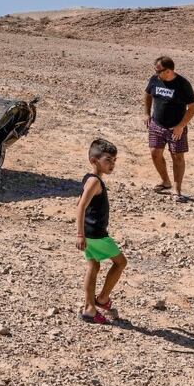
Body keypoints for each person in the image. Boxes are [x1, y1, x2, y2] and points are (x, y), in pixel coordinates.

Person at [75, 138, 128, 324]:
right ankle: (102, 299)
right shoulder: (94, 182)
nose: (112, 164)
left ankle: (89, 307)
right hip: (95, 234)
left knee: (94, 266)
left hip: (91, 232)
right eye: (108, 160)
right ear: (94, 160)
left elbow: (80, 203)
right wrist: (80, 234)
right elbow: (81, 207)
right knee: (120, 262)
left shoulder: (89, 179)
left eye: (114, 160)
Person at [144, 56, 194, 202]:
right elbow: (148, 94)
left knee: (177, 157)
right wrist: (146, 114)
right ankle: (165, 181)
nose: (155, 73)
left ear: (168, 71)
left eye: (158, 70)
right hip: (157, 124)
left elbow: (193, 107)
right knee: (155, 153)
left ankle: (177, 189)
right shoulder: (155, 79)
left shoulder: (183, 84)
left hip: (176, 128)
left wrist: (181, 126)